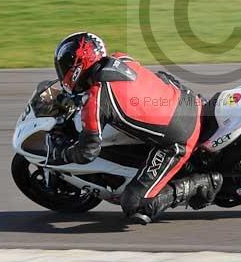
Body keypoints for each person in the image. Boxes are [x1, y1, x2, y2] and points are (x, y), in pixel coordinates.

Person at [49, 32, 222, 224]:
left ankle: (203, 183)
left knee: (134, 204)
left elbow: (87, 152)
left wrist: (63, 153)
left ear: (78, 66)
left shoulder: (97, 101)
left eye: (64, 67)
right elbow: (160, 76)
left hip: (178, 139)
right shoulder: (120, 59)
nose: (62, 72)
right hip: (190, 102)